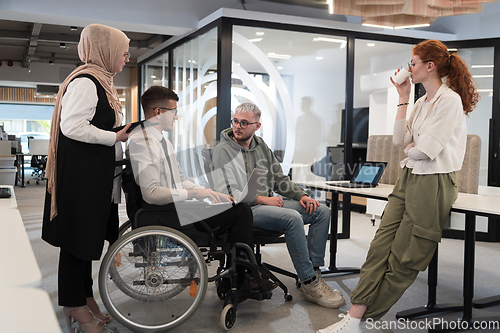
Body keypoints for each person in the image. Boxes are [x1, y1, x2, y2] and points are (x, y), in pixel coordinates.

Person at [318, 39, 479, 333]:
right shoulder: (420, 102)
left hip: (435, 181)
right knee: (379, 247)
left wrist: (413, 147)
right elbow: (398, 141)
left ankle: (361, 320)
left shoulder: (449, 101)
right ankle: (355, 319)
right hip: (410, 177)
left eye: (413, 63)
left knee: (406, 257)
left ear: (429, 66)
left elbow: (426, 150)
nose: (408, 68)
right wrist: (403, 97)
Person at [127, 85, 275, 298]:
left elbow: (180, 180)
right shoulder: (144, 141)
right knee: (241, 213)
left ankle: (241, 274)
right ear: (158, 112)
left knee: (231, 206)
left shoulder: (162, 140)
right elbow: (151, 194)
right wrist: (194, 195)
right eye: (173, 111)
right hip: (166, 213)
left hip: (177, 208)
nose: (176, 117)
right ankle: (243, 278)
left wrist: (205, 191)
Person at [211, 102, 346, 309]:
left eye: (244, 123)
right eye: (235, 121)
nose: (237, 126)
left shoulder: (260, 146)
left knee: (321, 211)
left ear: (257, 126)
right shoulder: (223, 150)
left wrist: (301, 195)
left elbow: (279, 179)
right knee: (293, 218)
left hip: (269, 206)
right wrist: (261, 199)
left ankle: (312, 273)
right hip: (243, 212)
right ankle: (310, 284)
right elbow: (225, 192)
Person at [42, 23, 131, 333]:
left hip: (91, 176)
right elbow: (73, 127)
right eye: (123, 53)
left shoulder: (101, 81)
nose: (125, 60)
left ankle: (84, 297)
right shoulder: (87, 82)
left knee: (86, 240)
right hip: (81, 178)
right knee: (76, 242)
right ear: (105, 52)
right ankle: (74, 306)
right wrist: (115, 137)